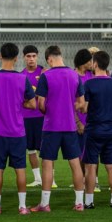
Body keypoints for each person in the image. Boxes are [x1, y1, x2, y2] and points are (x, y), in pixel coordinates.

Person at [0, 42, 36, 215]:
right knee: (20, 169)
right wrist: (20, 103)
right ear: (16, 58)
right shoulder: (23, 78)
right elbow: (33, 104)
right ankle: (22, 207)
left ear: (0, 56)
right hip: (18, 132)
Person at [32, 46, 87, 212]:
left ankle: (45, 204)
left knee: (48, 163)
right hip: (70, 126)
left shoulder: (46, 76)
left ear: (49, 59)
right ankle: (79, 203)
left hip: (51, 126)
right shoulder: (75, 75)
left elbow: (40, 104)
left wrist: (50, 110)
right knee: (75, 164)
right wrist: (69, 108)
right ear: (60, 56)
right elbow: (82, 103)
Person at [81, 50, 112, 209]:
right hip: (111, 130)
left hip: (94, 129)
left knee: (91, 165)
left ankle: (89, 201)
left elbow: (84, 108)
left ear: (96, 64)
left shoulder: (89, 84)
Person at [21, 45, 46, 188]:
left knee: (46, 149)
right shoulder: (21, 75)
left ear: (37, 56)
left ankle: (51, 179)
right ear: (24, 58)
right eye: (28, 56)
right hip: (27, 117)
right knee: (30, 149)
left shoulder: (44, 72)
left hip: (43, 116)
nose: (31, 59)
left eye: (33, 56)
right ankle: (37, 178)